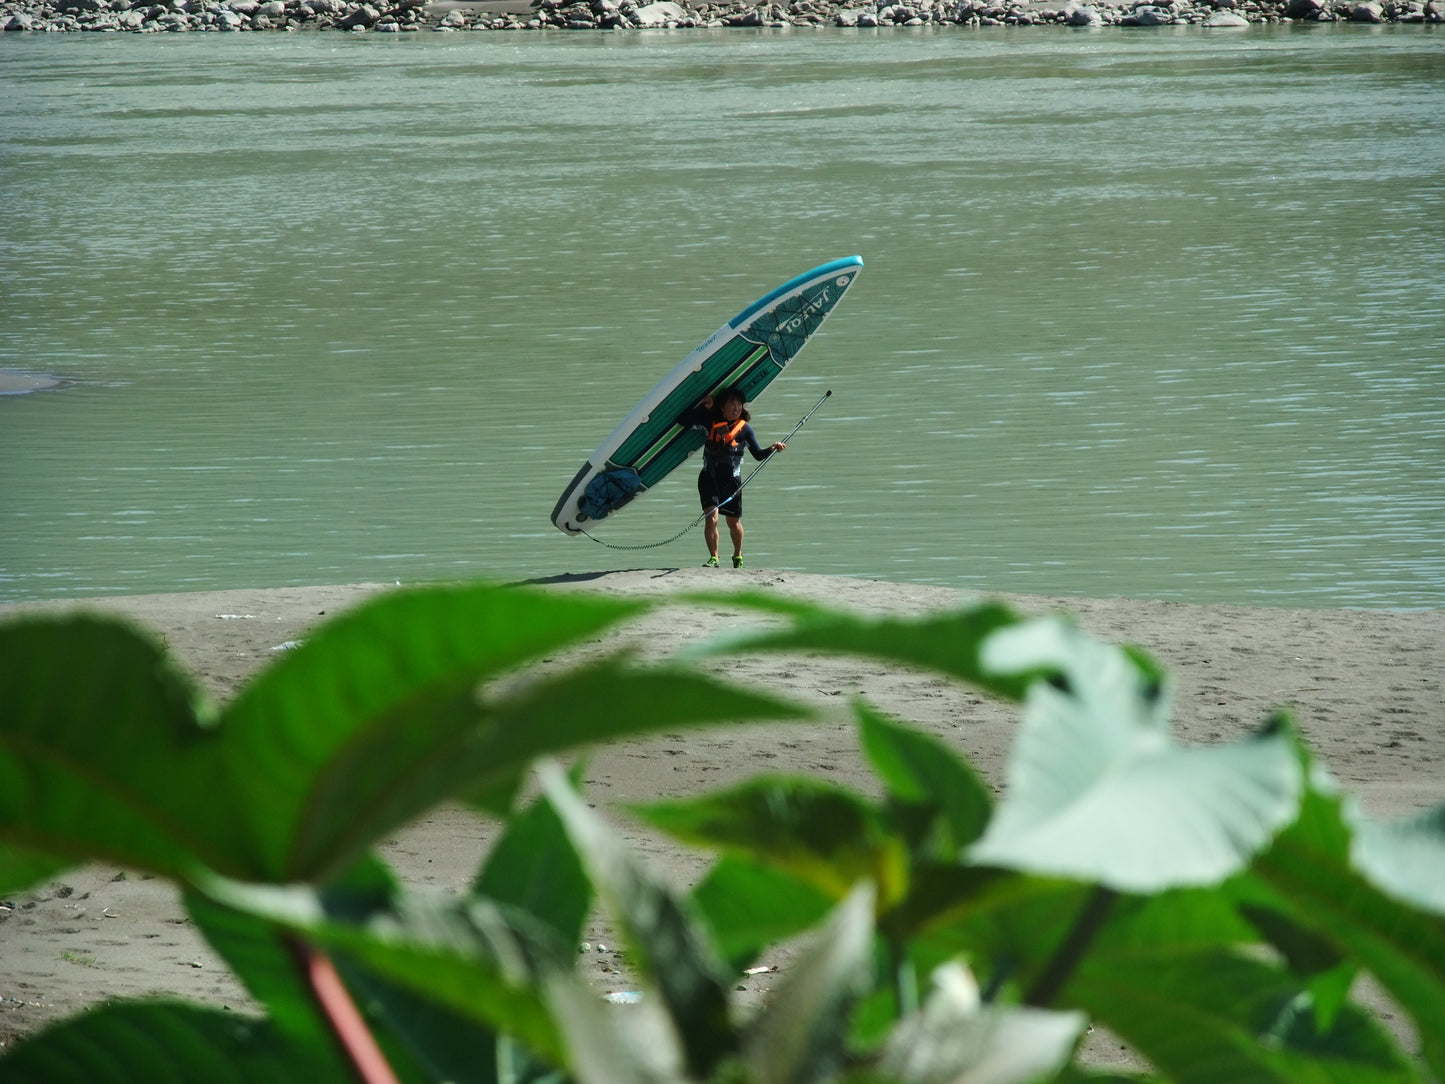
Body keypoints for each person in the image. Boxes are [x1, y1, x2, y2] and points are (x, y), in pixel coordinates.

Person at [681, 386, 785, 568]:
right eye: (731, 405)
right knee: (711, 518)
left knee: (733, 522)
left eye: (739, 405)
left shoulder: (745, 430)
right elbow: (683, 420)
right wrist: (704, 406)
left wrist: (773, 448)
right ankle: (714, 557)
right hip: (708, 478)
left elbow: (758, 455)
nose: (736, 408)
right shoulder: (710, 421)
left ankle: (737, 555)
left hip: (732, 482)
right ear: (722, 407)